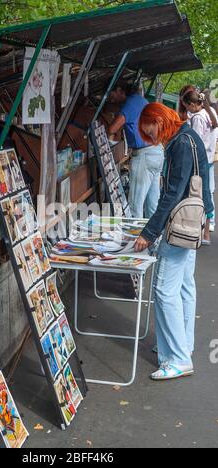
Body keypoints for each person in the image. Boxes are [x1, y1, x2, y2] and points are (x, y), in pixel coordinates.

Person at [135, 103, 213, 381]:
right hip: (191, 222)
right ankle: (182, 345)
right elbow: (202, 183)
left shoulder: (180, 143)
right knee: (182, 287)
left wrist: (149, 232)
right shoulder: (189, 137)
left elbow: (172, 194)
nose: (152, 137)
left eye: (151, 130)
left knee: (164, 290)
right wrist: (208, 215)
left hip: (178, 225)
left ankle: (177, 358)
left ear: (159, 120)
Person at [108, 81, 164, 219]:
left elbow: (112, 128)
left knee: (135, 206)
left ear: (120, 90)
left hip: (144, 156)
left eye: (112, 94)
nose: (111, 98)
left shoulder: (130, 104)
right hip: (156, 151)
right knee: (152, 204)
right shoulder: (140, 99)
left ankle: (135, 240)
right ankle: (154, 240)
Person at [179, 86, 218, 241]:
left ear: (192, 105)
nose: (186, 109)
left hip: (198, 162)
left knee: (195, 196)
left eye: (186, 106)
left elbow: (194, 143)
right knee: (207, 194)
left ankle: (198, 230)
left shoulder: (197, 118)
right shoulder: (211, 113)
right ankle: (206, 231)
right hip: (208, 160)